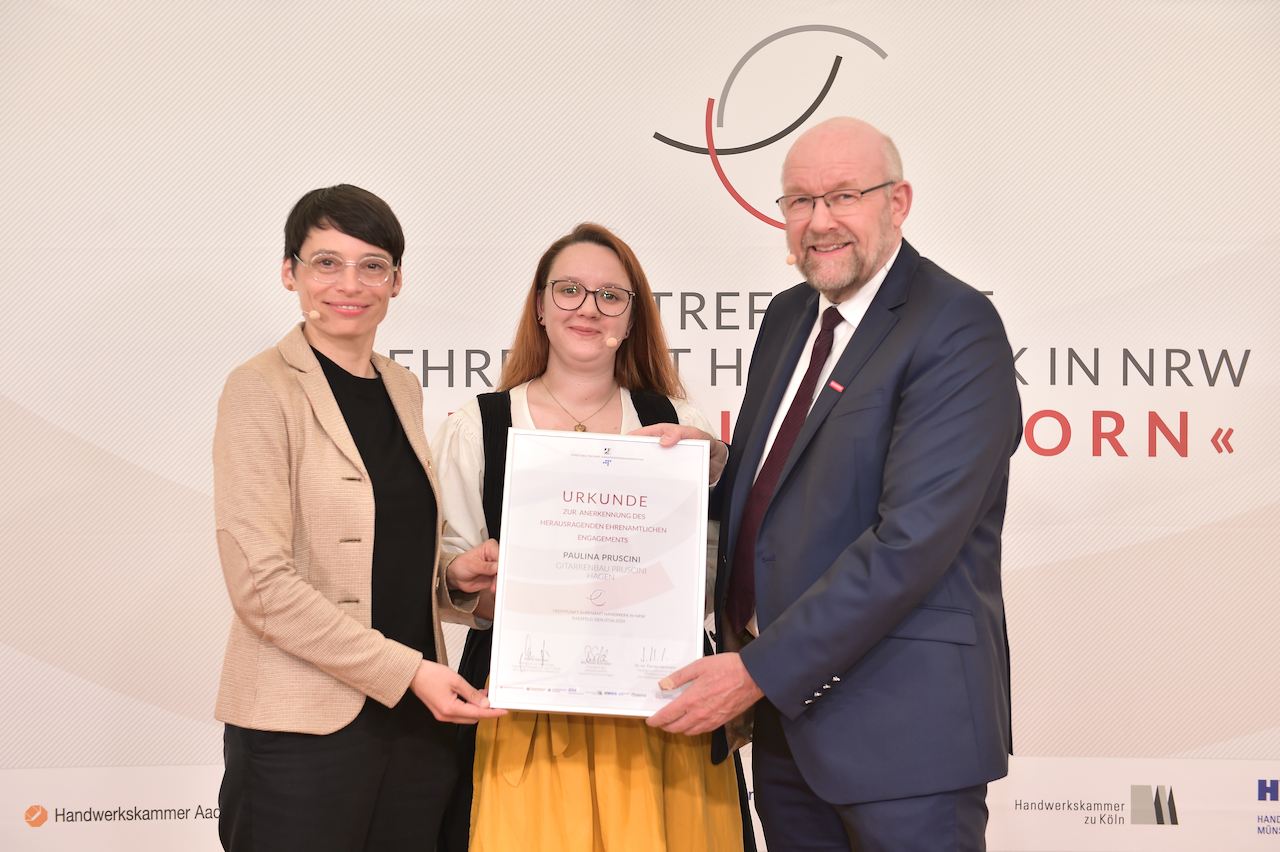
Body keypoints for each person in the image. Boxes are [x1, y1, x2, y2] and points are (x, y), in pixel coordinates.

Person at [647, 117, 1023, 851]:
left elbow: (911, 542)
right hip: (791, 726)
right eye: (799, 201)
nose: (819, 222)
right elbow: (787, 490)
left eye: (844, 196)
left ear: (899, 201)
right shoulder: (790, 317)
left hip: (903, 730)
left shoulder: (955, 326)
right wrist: (708, 470)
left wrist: (757, 669)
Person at [431, 223, 746, 852]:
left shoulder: (678, 426)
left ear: (631, 319)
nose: (588, 308)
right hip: (521, 707)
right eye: (569, 290)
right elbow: (445, 575)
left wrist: (721, 469)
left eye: (611, 296)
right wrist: (471, 579)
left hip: (660, 704)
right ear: (541, 307)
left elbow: (717, 577)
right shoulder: (478, 427)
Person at [212, 184, 505, 852]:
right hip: (304, 732)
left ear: (397, 280)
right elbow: (262, 586)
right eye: (326, 262)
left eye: (372, 264)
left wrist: (452, 576)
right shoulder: (259, 389)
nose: (350, 283)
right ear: (290, 272)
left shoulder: (400, 385)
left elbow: (380, 550)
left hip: (414, 729)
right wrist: (406, 671)